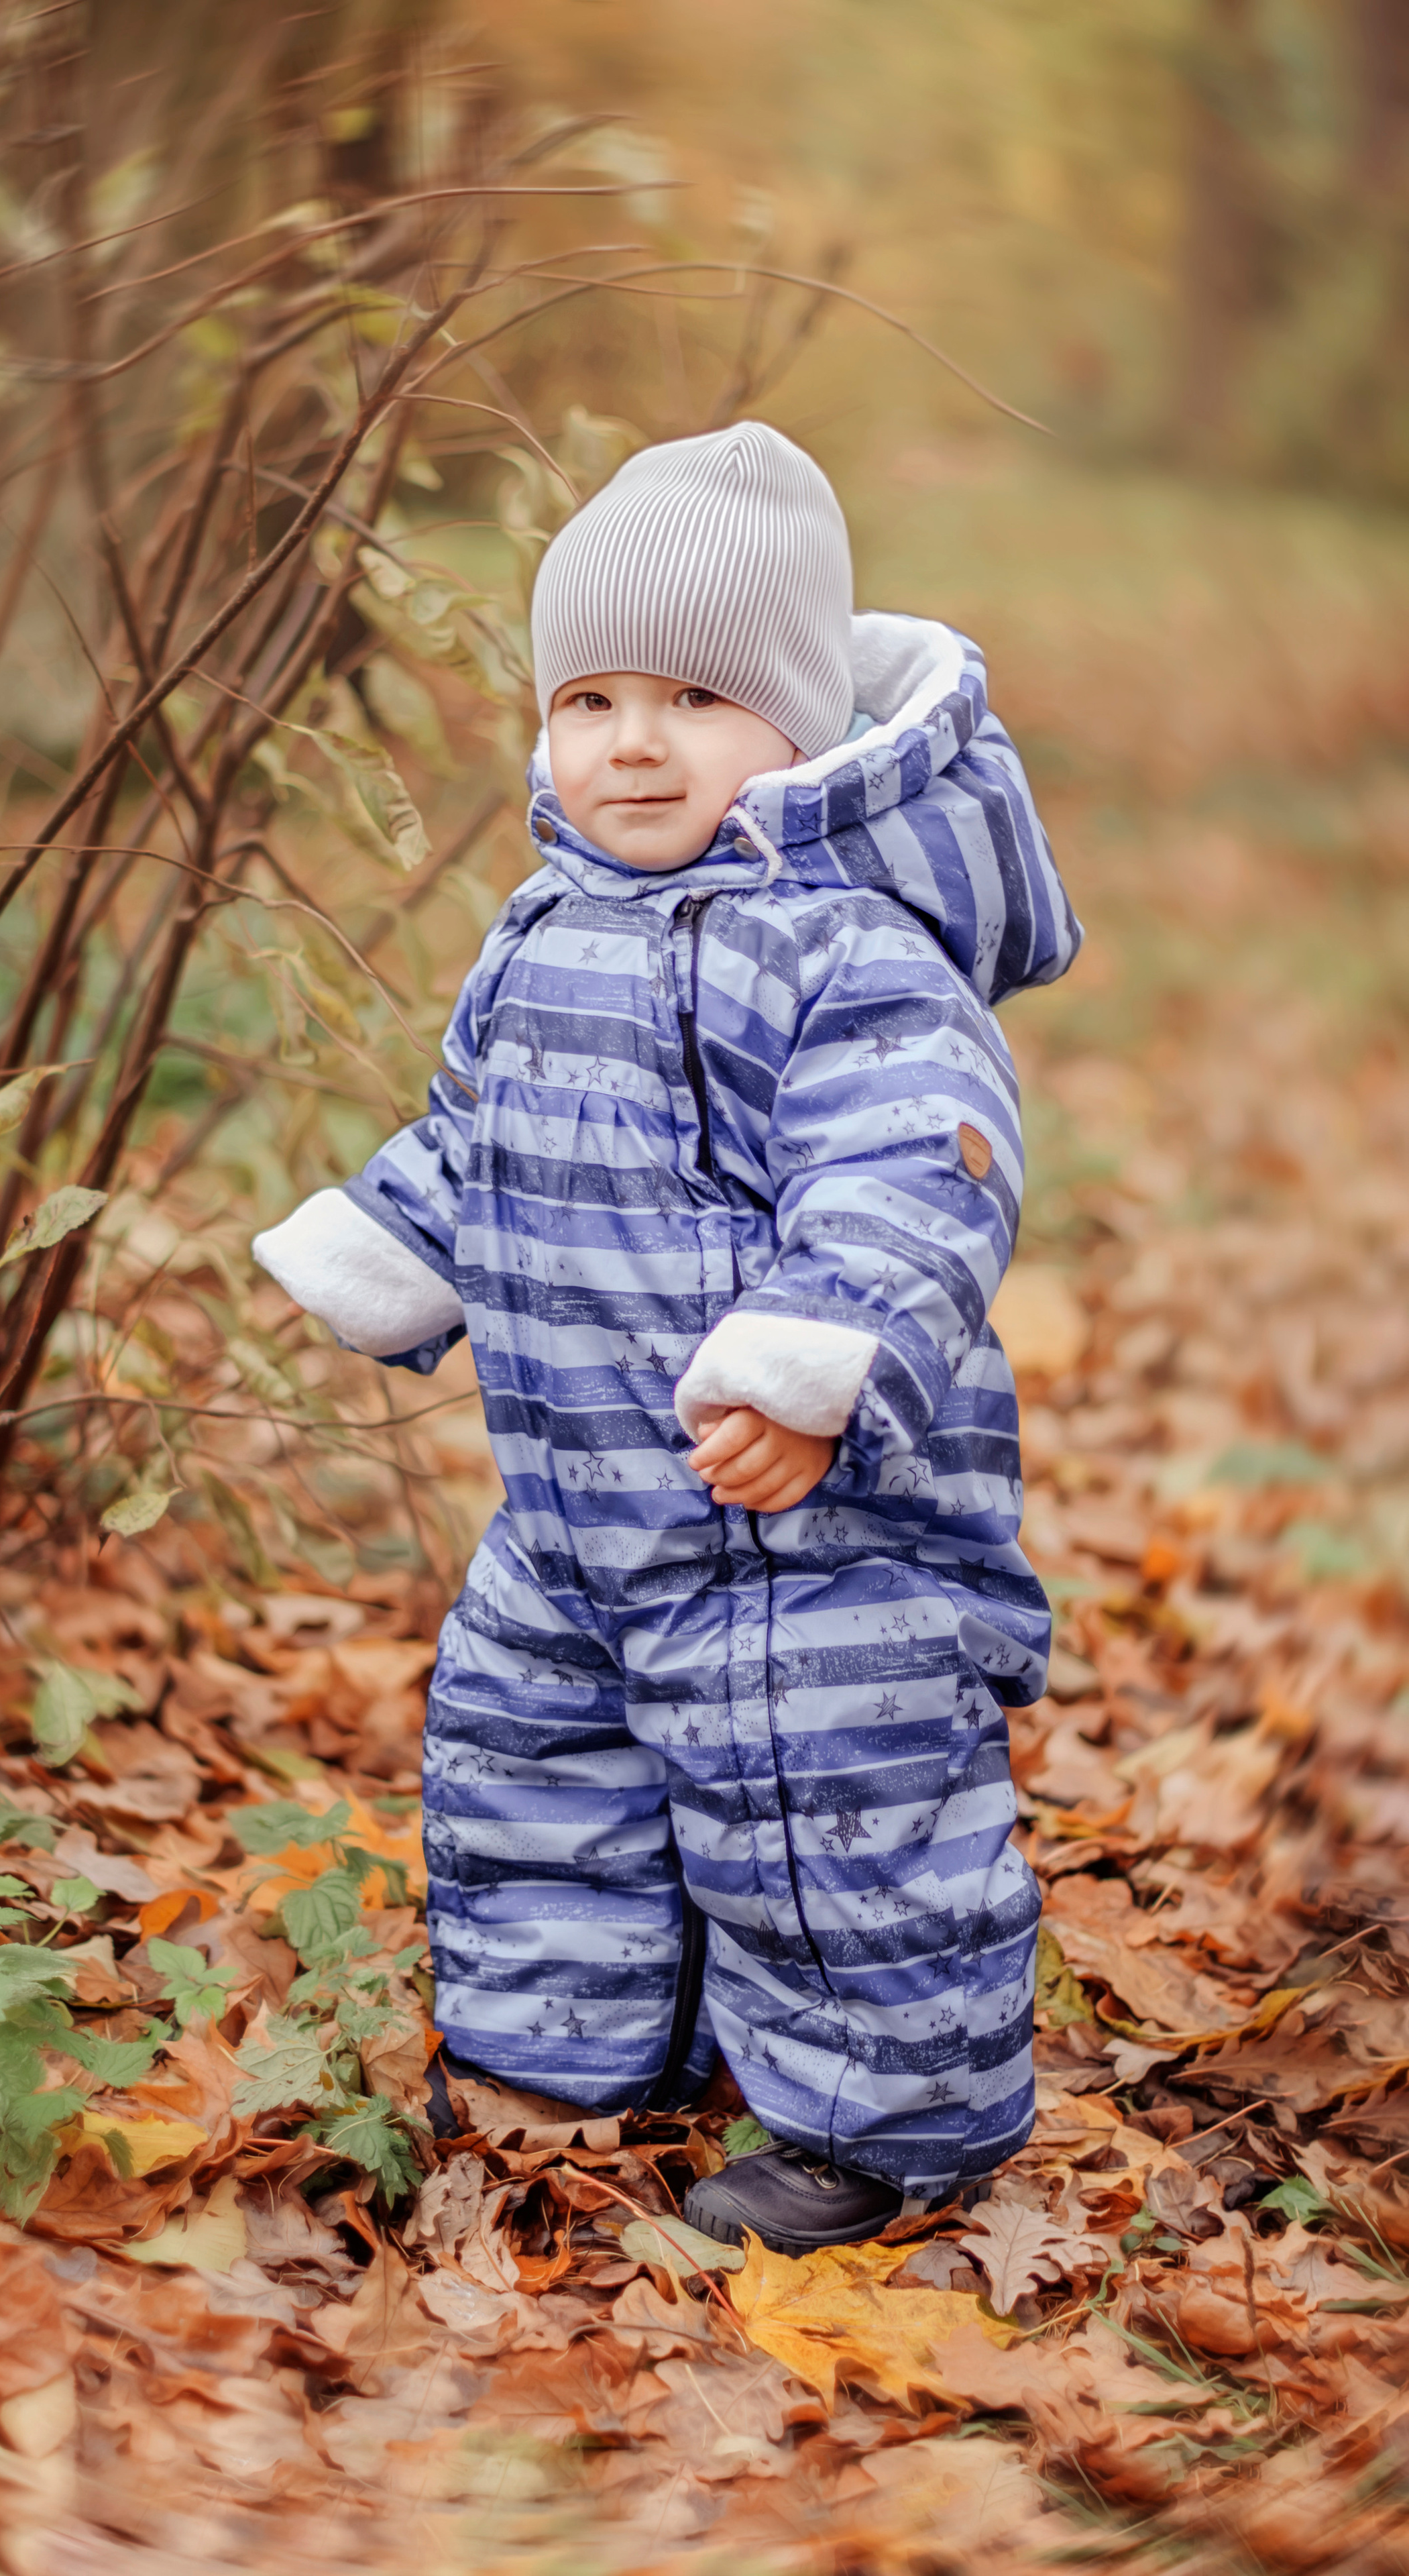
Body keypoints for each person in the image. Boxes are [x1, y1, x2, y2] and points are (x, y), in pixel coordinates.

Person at [253, 421, 1081, 2251]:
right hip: (577, 1507)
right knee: (529, 1754)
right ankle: (569, 2051)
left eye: (694, 696)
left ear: (790, 719)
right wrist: (400, 1243)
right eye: (593, 698)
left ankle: (885, 2126)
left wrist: (817, 1368)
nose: (633, 740)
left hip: (802, 1523)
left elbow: (919, 1174)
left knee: (830, 1805)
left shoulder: (844, 942)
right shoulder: (545, 923)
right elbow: (488, 1131)